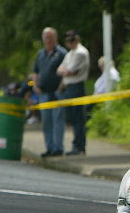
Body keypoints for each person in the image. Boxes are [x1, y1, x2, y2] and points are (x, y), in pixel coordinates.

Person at [30, 27, 66, 157]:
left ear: (55, 38)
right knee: (46, 121)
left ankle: (58, 148)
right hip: (43, 93)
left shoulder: (61, 53)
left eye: (51, 37)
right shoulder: (40, 54)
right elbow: (35, 72)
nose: (48, 40)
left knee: (58, 120)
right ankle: (49, 148)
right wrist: (35, 86)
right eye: (46, 38)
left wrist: (61, 87)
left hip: (57, 92)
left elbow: (66, 71)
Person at [56, 30, 90, 155]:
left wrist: (66, 71)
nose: (70, 43)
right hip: (69, 87)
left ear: (77, 39)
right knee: (73, 118)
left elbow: (70, 70)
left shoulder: (81, 52)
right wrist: (66, 71)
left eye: (72, 40)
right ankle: (77, 144)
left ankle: (79, 146)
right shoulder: (70, 53)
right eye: (68, 40)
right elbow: (60, 70)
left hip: (77, 87)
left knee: (78, 118)